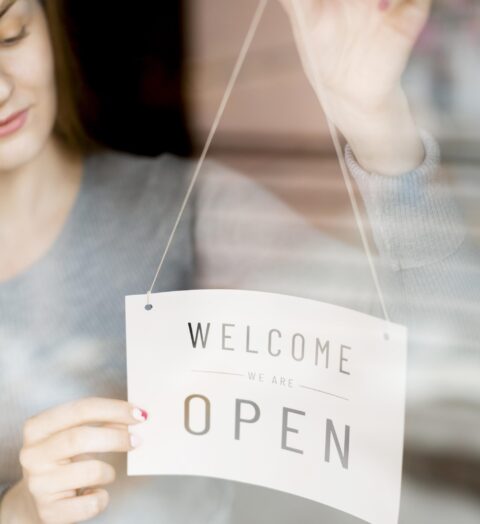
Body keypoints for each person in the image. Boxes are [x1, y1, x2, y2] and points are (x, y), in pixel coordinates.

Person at [0, 0, 478, 522]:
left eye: (12, 35)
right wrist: (19, 509)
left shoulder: (190, 211)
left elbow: (453, 357)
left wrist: (380, 132)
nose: (2, 88)